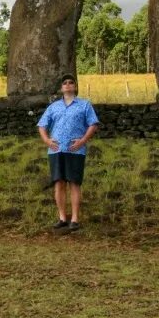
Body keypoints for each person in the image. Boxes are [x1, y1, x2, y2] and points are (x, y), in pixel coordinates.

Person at [36, 74, 100, 232]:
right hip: (56, 150)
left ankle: (75, 219)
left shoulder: (85, 105)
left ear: (75, 86)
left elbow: (93, 124)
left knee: (74, 183)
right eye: (64, 83)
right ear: (61, 88)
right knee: (59, 183)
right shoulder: (53, 107)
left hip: (76, 150)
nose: (68, 85)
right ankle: (62, 218)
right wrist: (47, 140)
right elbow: (42, 125)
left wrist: (83, 140)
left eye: (71, 82)